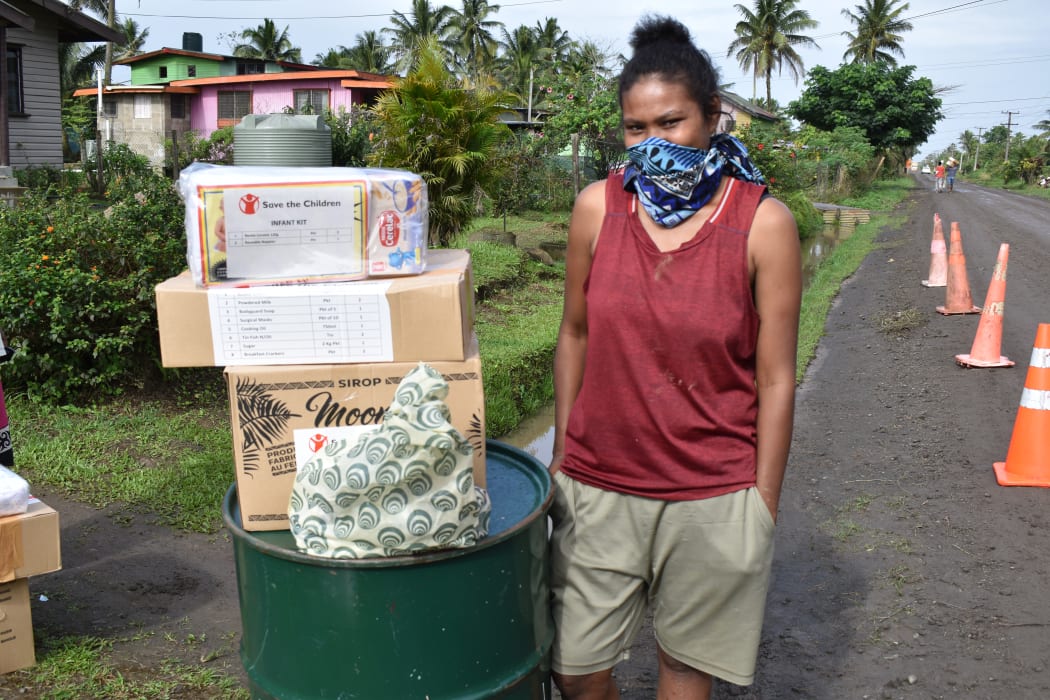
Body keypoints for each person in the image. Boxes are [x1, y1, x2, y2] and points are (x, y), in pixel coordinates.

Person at [549, 14, 801, 700]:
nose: (652, 143)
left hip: (713, 495)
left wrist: (763, 503)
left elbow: (777, 376)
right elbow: (573, 334)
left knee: (685, 671)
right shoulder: (598, 209)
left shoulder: (762, 223)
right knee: (575, 670)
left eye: (671, 123)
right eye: (636, 128)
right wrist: (562, 459)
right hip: (598, 485)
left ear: (714, 117)